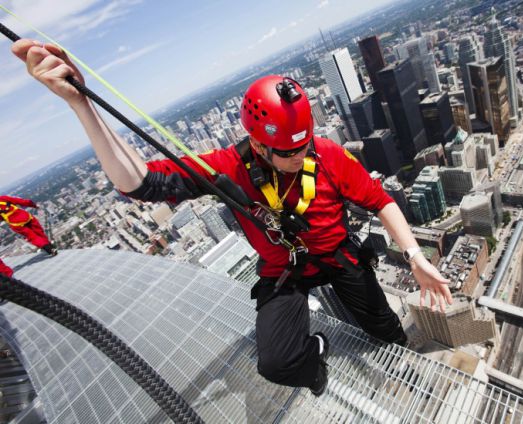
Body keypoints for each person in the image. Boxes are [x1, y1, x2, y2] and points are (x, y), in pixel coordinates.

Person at [12, 39, 453, 396]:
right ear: (259, 145)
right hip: (286, 271)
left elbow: (380, 201)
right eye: (288, 151)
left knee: (384, 327)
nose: (301, 157)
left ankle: (408, 376)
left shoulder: (330, 157)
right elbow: (140, 184)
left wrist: (414, 256)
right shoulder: (228, 168)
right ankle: (315, 357)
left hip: (338, 255)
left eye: (305, 145)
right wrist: (81, 105)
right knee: (277, 364)